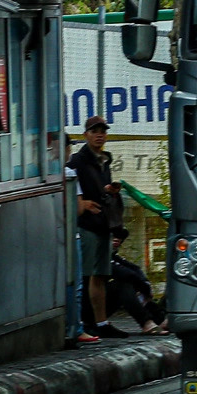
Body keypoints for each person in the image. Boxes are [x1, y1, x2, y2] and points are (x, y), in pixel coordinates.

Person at [70, 118, 126, 342]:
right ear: (86, 134)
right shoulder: (78, 162)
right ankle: (85, 322)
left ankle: (101, 323)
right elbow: (71, 189)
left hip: (103, 223)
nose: (99, 135)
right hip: (87, 225)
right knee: (88, 274)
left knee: (101, 274)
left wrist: (110, 191)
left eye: (103, 131)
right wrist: (81, 204)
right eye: (95, 131)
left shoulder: (104, 161)